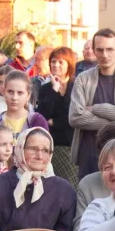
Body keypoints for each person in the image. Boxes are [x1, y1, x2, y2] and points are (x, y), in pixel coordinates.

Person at [69, 29, 115, 180]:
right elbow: (75, 117)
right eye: (100, 50)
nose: (105, 54)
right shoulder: (83, 79)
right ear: (94, 51)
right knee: (89, 197)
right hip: (89, 153)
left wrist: (95, 109)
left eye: (110, 49)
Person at [35, 47, 77, 183]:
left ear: (69, 64)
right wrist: (54, 90)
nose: (56, 65)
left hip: (73, 145)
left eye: (60, 62)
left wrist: (55, 122)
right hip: (52, 145)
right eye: (53, 61)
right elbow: (41, 116)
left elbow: (76, 116)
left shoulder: (77, 86)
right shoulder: (45, 89)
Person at [0, 70, 48, 140]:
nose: (14, 97)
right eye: (10, 92)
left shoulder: (37, 121)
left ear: (28, 95)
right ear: (4, 93)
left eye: (20, 93)